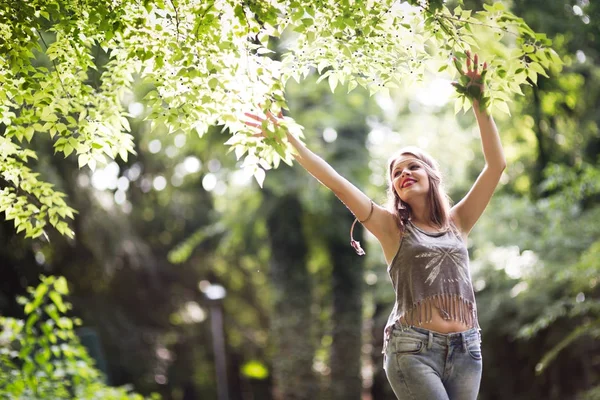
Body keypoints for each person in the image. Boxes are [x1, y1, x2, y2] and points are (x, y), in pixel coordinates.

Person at [245, 52, 506, 400]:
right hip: (413, 351)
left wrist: (478, 99)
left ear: (431, 175)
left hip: (467, 349)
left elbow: (496, 166)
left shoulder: (459, 222)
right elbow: (337, 182)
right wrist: (288, 139)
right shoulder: (390, 227)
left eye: (412, 166)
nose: (404, 174)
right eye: (396, 173)